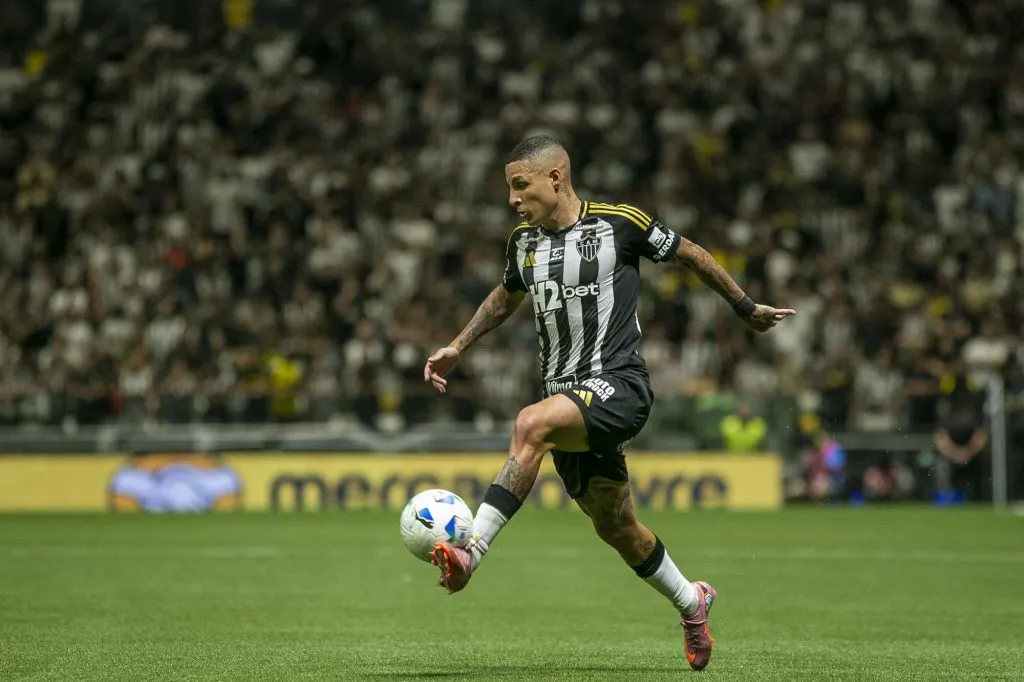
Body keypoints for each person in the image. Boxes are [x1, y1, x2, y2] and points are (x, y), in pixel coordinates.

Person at [422, 135, 795, 671]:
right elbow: (505, 296)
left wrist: (744, 306)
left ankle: (470, 553)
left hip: (619, 384)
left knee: (529, 425)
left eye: (519, 185)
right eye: (509, 188)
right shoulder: (523, 243)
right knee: (616, 526)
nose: (512, 199)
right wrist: (458, 345)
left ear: (556, 177)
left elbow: (690, 253)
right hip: (566, 399)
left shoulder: (619, 222)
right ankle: (693, 601)